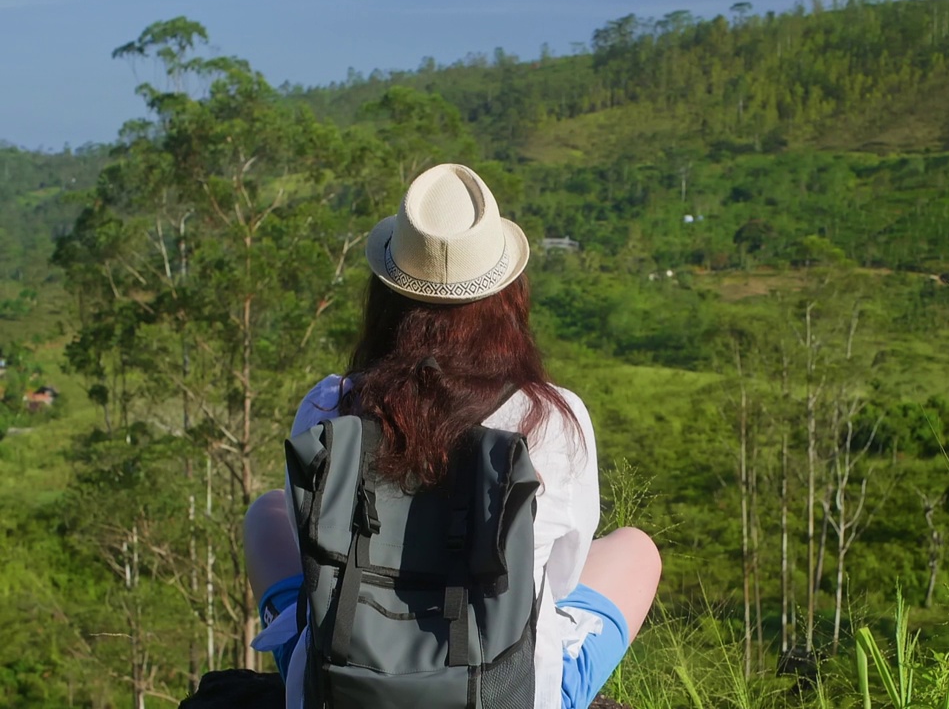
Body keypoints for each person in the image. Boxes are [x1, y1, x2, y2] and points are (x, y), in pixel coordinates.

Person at [243, 163, 662, 709]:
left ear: (386, 293)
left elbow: (312, 554)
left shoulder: (331, 408)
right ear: (505, 296)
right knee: (636, 548)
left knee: (267, 513)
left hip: (339, 689)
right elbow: (561, 576)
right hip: (505, 692)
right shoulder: (550, 419)